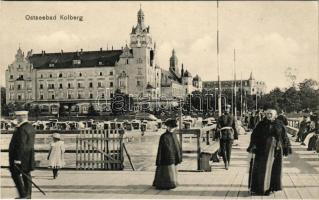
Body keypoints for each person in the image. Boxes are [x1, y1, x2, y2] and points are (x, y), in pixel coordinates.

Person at [247, 109, 292, 196]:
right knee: (261, 168)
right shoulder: (261, 124)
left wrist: (286, 147)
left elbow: (284, 136)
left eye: (271, 114)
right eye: (267, 114)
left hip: (275, 149)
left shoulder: (279, 124)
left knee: (274, 169)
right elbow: (254, 135)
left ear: (275, 115)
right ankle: (260, 188)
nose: (269, 115)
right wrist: (253, 145)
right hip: (262, 149)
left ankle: (271, 187)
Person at [9, 111, 36, 199]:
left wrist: (17, 159)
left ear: (22, 117)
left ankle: (23, 194)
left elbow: (21, 144)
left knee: (15, 174)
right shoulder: (30, 127)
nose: (16, 118)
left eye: (17, 116)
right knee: (26, 174)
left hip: (20, 157)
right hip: (28, 156)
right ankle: (27, 195)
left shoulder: (22, 129)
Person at [153, 118, 182, 190]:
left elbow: (177, 146)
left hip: (172, 156)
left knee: (172, 169)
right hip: (165, 156)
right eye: (170, 127)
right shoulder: (163, 136)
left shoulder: (174, 135)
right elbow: (161, 149)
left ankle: (172, 182)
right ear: (167, 127)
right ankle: (165, 183)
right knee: (165, 169)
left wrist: (177, 154)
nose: (171, 128)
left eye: (173, 127)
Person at [216, 105, 238, 170]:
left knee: (226, 150)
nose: (226, 110)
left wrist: (235, 136)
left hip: (227, 135)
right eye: (225, 108)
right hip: (226, 135)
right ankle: (226, 162)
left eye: (227, 108)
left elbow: (234, 126)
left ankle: (227, 162)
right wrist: (236, 136)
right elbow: (218, 127)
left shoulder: (227, 117)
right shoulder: (224, 117)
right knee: (225, 150)